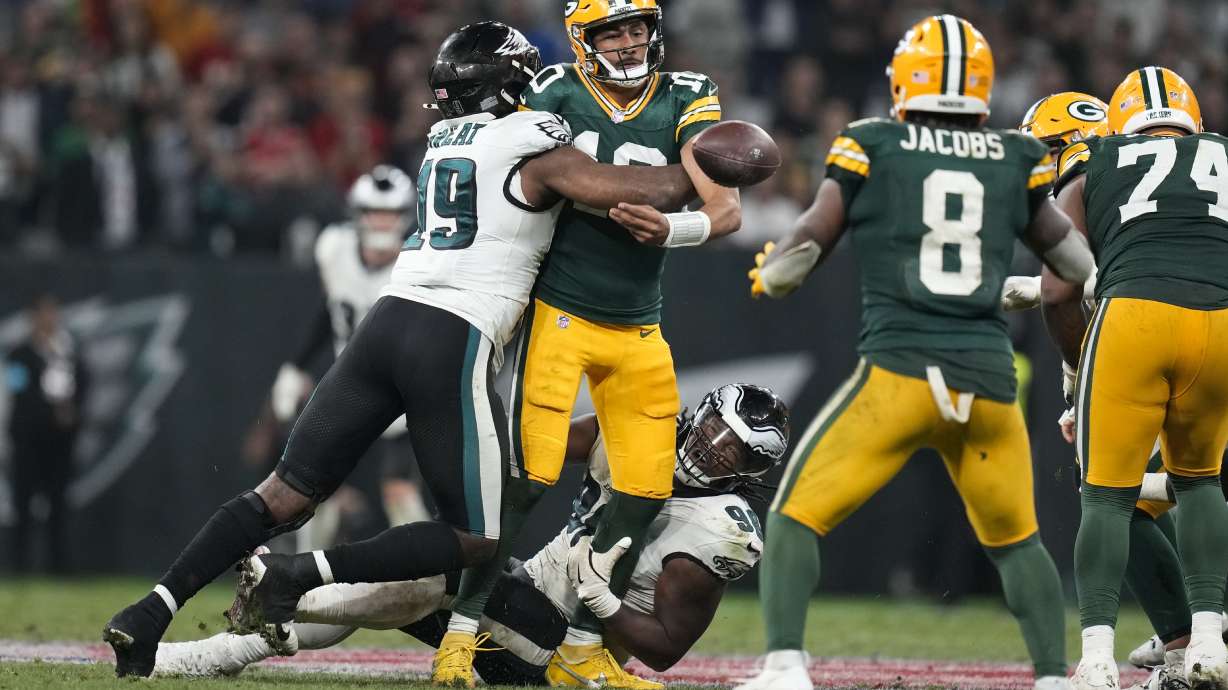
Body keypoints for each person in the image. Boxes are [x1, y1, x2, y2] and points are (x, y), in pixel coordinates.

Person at [101, 21, 699, 678]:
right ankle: (298, 572)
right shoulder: (533, 141)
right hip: (453, 334)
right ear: (509, 84)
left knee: (280, 496)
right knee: (479, 537)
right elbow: (641, 189)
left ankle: (147, 613)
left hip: (383, 327)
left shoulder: (443, 139)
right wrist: (703, 162)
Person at [737, 15, 1096, 690]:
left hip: (901, 373)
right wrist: (1017, 283)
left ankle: (784, 666)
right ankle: (1054, 677)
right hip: (987, 383)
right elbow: (1074, 262)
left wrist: (776, 269)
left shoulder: (873, 142)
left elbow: (811, 235)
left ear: (906, 79)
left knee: (792, 517)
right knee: (1018, 542)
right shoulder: (1015, 154)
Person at [437, 3, 743, 687]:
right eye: (614, 31)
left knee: (641, 489)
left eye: (637, 28)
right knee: (523, 483)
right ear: (585, 40)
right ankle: (460, 634)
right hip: (561, 314)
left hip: (639, 324)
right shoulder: (552, 92)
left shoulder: (688, 94)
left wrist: (673, 231)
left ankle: (579, 645)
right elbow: (531, 182)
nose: (630, 41)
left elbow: (725, 209)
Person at [153, 384, 789, 686]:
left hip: (561, 652)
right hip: (520, 599)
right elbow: (533, 449)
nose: (710, 448)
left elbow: (667, 649)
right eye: (711, 429)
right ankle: (221, 651)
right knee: (413, 578)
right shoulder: (635, 435)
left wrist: (606, 602)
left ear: (751, 472)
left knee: (440, 573)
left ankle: (285, 588)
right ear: (699, 413)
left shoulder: (719, 529)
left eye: (734, 451)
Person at [1041, 66, 1228, 690]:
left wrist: (1075, 370)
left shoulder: (1097, 157)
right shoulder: (1223, 155)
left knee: (1107, 495)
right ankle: (1206, 643)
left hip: (1134, 319)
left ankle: (1096, 659)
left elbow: (1058, 285)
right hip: (1219, 324)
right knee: (1200, 484)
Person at [1010, 92, 1198, 690]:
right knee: (1147, 491)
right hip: (1202, 336)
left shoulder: (1089, 177)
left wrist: (1075, 381)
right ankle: (1190, 632)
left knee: (1125, 489)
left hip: (1171, 339)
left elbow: (1074, 284)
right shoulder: (1163, 167)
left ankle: (1196, 633)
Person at [270, 165, 430, 550]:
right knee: (313, 485)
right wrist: (296, 365)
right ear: (357, 215)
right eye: (374, 212)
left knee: (399, 492)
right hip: (350, 384)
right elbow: (333, 308)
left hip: (404, 390)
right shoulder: (334, 248)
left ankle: (434, 582)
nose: (381, 222)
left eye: (389, 213)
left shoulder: (419, 260)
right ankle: (303, 583)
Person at [4, 294, 87, 574]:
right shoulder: (19, 354)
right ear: (32, 318)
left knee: (58, 505)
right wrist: (47, 412)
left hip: (59, 444)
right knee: (23, 504)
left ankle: (60, 568)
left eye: (53, 313)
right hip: (28, 441)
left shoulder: (68, 353)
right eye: (44, 313)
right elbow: (18, 391)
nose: (49, 319)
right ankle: (19, 567)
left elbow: (83, 384)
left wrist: (70, 414)